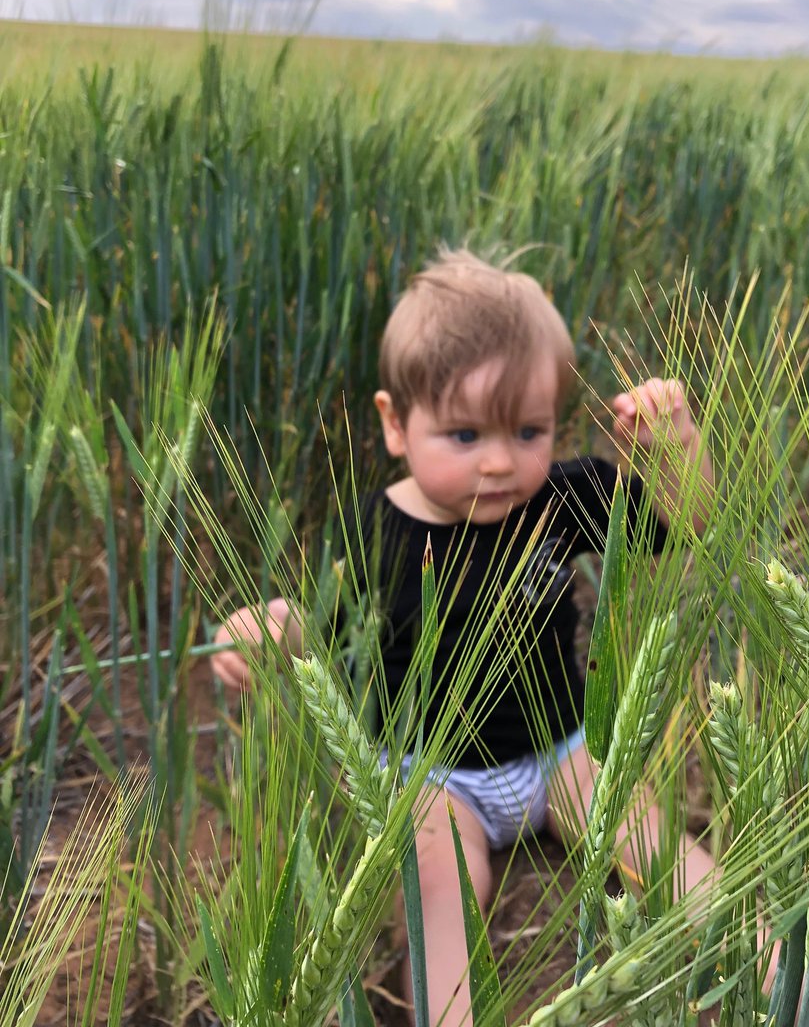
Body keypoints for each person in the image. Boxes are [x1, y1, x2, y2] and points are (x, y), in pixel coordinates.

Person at [212, 248, 715, 1027]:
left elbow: (684, 522)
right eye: (464, 434)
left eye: (528, 428)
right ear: (395, 424)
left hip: (561, 751)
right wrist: (264, 632)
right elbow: (316, 634)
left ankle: (779, 951)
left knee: (650, 837)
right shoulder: (377, 534)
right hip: (432, 775)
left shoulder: (563, 494)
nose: (501, 461)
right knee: (444, 885)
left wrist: (677, 445)